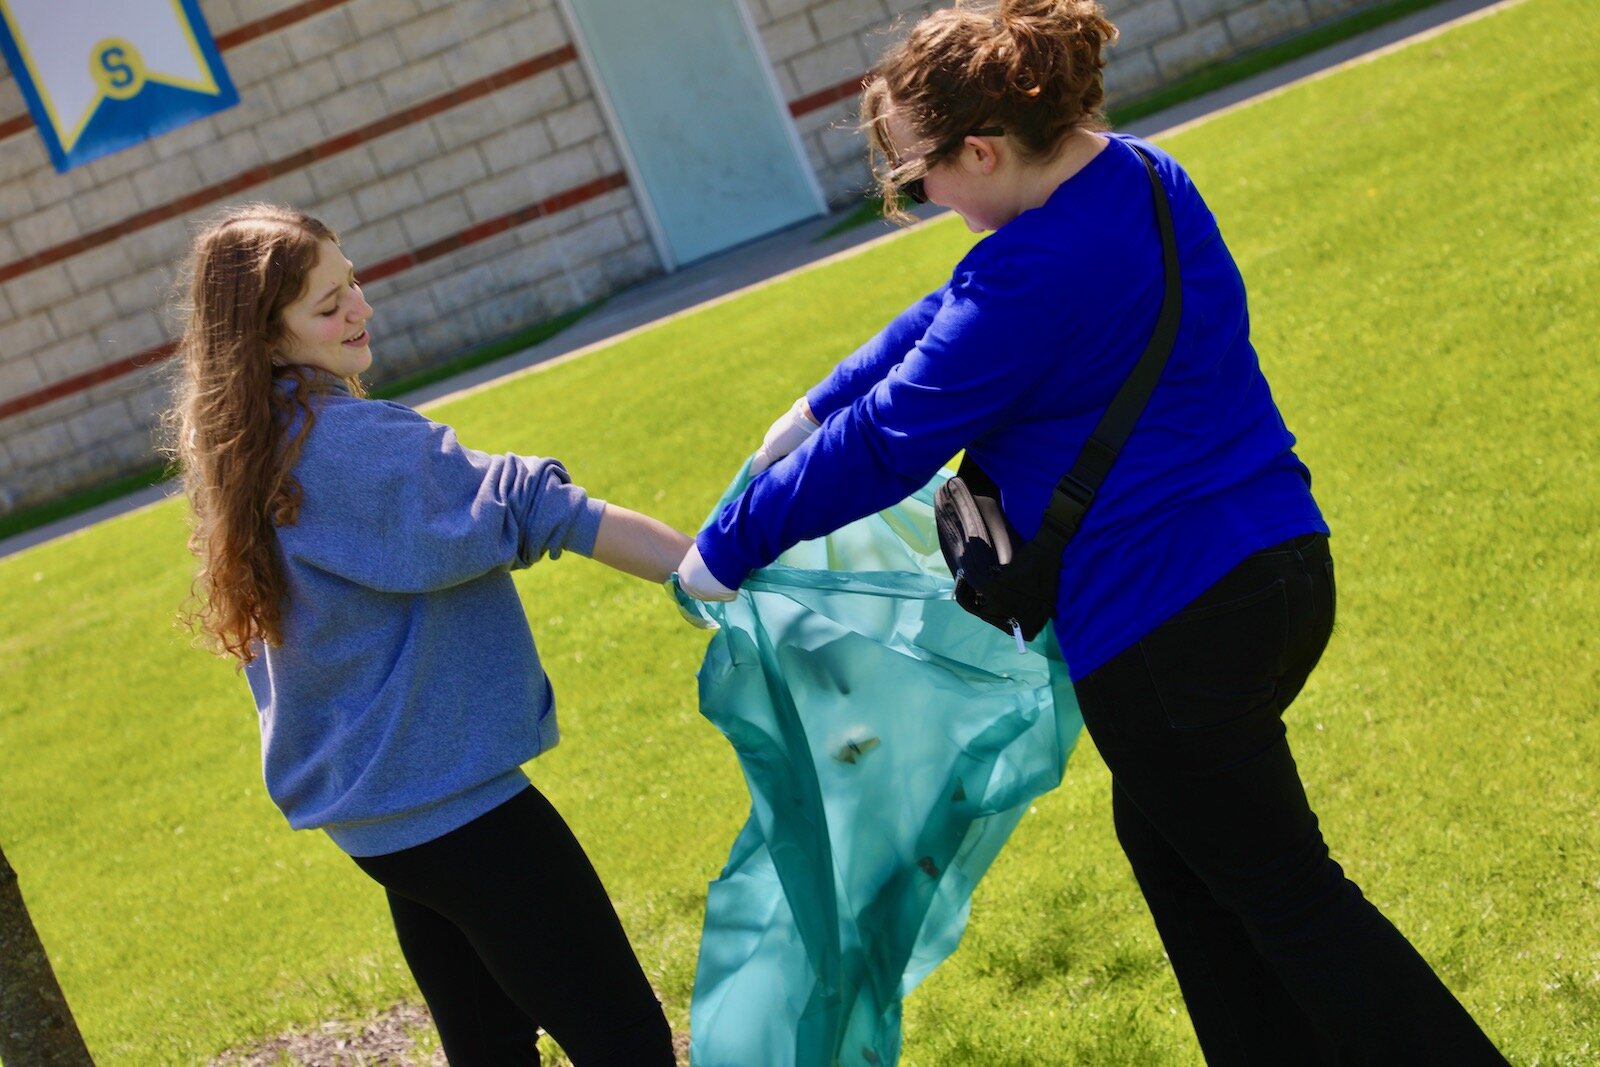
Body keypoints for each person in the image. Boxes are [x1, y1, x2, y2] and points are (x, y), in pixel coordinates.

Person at [676, 1, 1505, 1061]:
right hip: (1277, 569)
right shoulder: (1139, 177)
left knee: (1290, 899)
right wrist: (808, 406)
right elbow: (944, 313)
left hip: (1169, 630)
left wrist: (723, 548)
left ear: (981, 148)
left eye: (913, 172)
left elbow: (889, 441)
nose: (916, 194)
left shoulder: (1033, 274)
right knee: (1184, 860)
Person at [166, 204, 683, 1065]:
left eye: (352, 282)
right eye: (328, 306)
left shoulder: (248, 444)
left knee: (491, 1044)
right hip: (452, 805)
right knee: (624, 1036)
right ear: (265, 336)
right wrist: (711, 573)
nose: (360, 309)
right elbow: (536, 508)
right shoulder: (340, 444)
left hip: (385, 819)